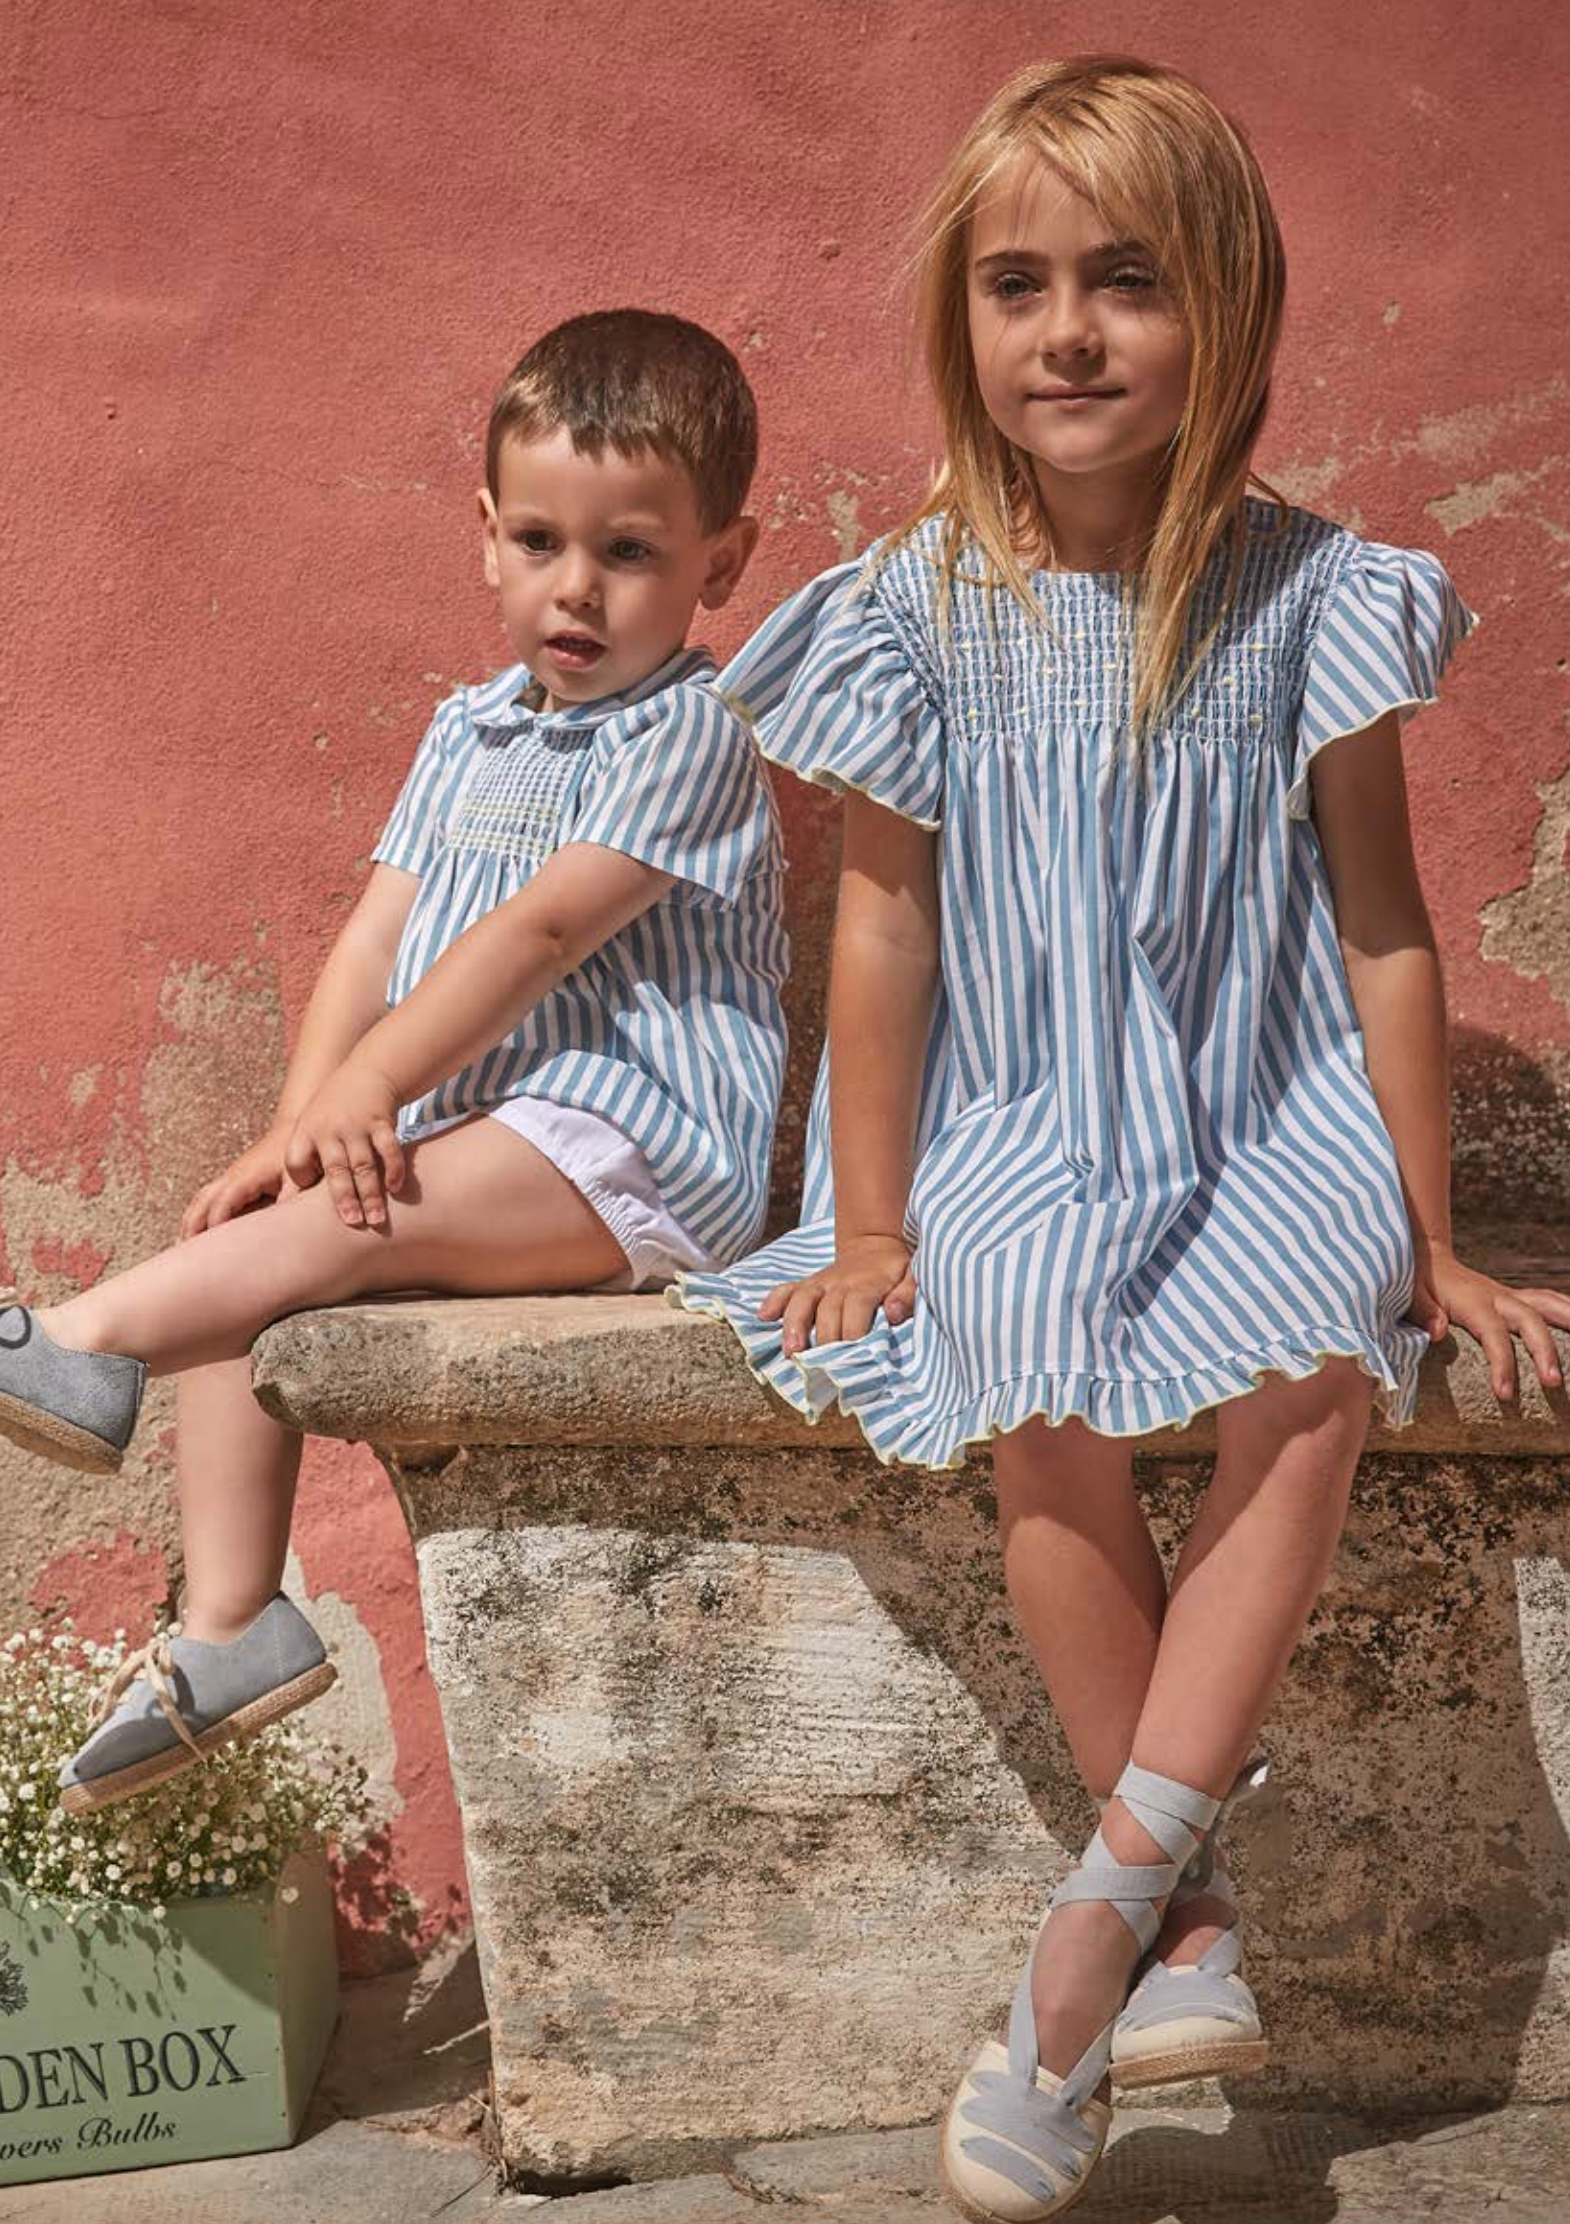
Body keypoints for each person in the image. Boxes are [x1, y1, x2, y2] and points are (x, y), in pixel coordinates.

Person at [672, 58, 1570, 2224]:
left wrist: (1427, 1234)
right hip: (1021, 1118)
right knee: (1026, 1373)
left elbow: (1374, 919)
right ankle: (1179, 1923)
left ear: (1227, 310)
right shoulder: (911, 609)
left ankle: (1094, 1927)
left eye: (1123, 282)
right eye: (1014, 284)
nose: (1062, 329)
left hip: (1263, 1110)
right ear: (959, 323)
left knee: (1315, 1370)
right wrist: (868, 1214)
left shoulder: (1306, 592)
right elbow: (877, 929)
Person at [0, 308, 786, 1818]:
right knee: (261, 1237)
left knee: (348, 1219)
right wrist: (308, 1120)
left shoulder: (693, 728)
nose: (577, 587)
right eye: (542, 540)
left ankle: (85, 1343)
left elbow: (546, 932)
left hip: (629, 1146)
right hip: (476, 1127)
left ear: (719, 564)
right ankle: (230, 1624)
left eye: (627, 553)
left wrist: (369, 1099)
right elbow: (373, 944)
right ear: (486, 538)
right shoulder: (466, 730)